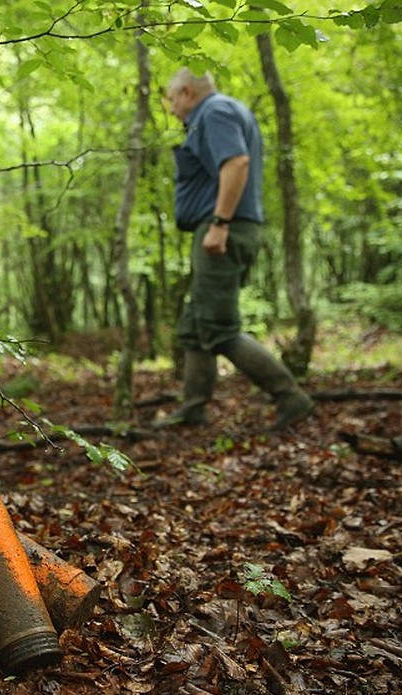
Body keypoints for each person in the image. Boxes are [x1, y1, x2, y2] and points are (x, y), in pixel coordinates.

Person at [158, 67, 314, 432]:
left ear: (185, 92)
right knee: (196, 326)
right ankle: (193, 407)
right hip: (220, 228)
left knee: (218, 328)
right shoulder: (223, 110)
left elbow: (236, 162)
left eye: (171, 99)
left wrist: (220, 223)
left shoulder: (215, 111)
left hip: (223, 230)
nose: (170, 108)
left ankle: (290, 396)